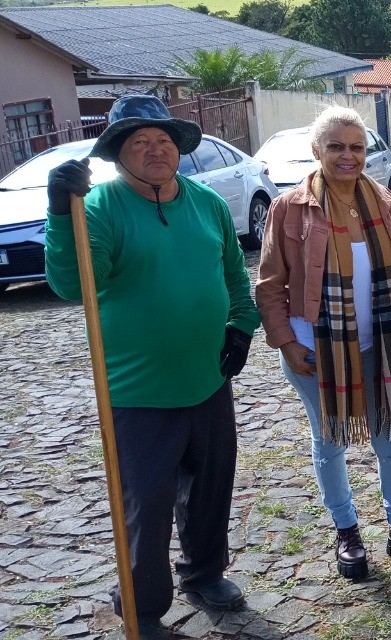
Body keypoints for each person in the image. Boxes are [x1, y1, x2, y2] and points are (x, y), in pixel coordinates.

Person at [43, 95, 259, 639]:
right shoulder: (100, 208)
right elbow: (73, 284)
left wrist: (241, 325)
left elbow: (235, 272)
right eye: (139, 141)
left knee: (211, 486)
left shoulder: (207, 203)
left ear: (178, 149)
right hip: (136, 392)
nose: (154, 149)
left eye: (162, 140)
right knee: (146, 505)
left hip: (208, 380)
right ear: (118, 153)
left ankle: (205, 574)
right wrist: (57, 213)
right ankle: (140, 606)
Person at [256, 106, 391, 581]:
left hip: (380, 345)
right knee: (329, 439)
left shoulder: (383, 202)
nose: (347, 156)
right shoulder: (290, 207)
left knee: (390, 438)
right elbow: (270, 285)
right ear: (317, 151)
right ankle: (346, 530)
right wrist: (287, 343)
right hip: (317, 350)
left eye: (356, 146)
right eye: (336, 146)